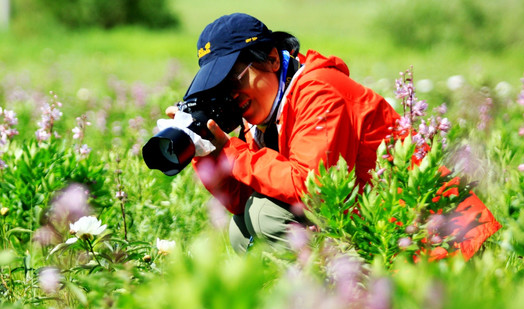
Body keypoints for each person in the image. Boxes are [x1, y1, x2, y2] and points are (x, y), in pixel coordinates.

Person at [168, 13, 500, 256]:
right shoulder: (264, 112)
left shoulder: (319, 90)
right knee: (242, 227)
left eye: (235, 78)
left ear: (271, 59)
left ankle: (354, 306)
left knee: (265, 217)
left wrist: (235, 153)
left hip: (441, 239)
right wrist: (207, 152)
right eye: (220, 87)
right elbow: (241, 200)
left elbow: (311, 188)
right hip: (376, 228)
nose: (231, 93)